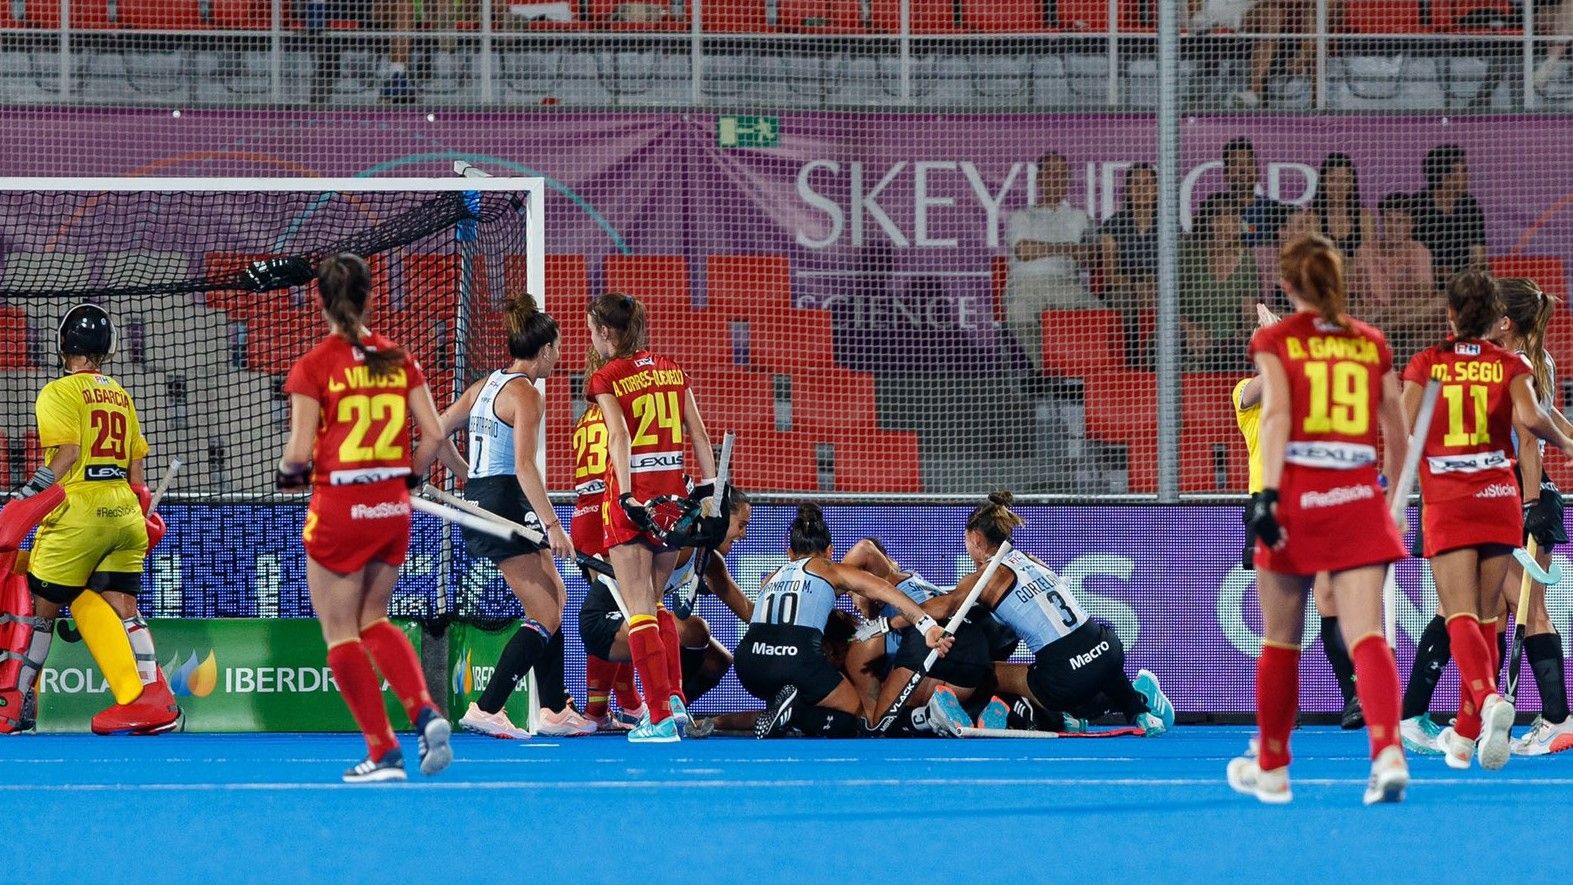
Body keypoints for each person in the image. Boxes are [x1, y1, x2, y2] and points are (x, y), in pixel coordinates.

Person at [1232, 233, 1411, 805]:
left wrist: (1266, 500)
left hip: (1297, 497)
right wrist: (1395, 505)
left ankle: (1274, 768)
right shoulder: (1370, 341)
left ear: (1288, 285)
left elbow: (1279, 414)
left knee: (1281, 643)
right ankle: (1387, 755)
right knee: (1368, 637)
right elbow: (1397, 434)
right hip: (1359, 498)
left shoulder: (1276, 339)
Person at [277, 253, 451, 783]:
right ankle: (424, 712)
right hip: (390, 507)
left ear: (319, 301)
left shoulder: (314, 365)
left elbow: (299, 453)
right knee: (373, 618)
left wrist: (287, 474)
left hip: (340, 508)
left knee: (339, 633)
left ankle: (383, 751)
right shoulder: (398, 358)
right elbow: (436, 435)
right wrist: (410, 477)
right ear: (371, 297)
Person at [1399, 271, 1573, 772]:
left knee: (1487, 611)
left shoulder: (1436, 362)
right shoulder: (1522, 362)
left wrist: (1535, 497)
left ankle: (1512, 713)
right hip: (1504, 494)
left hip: (1481, 496)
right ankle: (1465, 721)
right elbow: (1541, 422)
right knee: (1488, 612)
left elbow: (1528, 435)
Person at [0, 304, 181, 737]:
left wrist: (27, 493)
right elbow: (137, 474)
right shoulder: (121, 394)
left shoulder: (57, 392)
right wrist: (139, 510)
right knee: (125, 608)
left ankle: (14, 706)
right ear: (109, 348)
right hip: (123, 514)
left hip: (76, 514)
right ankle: (152, 698)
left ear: (64, 346)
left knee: (40, 609)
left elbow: (69, 454)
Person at [440, 293, 594, 740]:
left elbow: (435, 430)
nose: (559, 357)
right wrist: (553, 525)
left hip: (489, 496)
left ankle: (552, 709)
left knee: (556, 597)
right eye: (558, 348)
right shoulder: (526, 394)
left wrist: (468, 477)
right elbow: (525, 466)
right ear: (544, 350)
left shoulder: (483, 386)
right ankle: (487, 708)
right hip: (508, 497)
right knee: (544, 612)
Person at [916, 491, 1174, 739]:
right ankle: (1139, 708)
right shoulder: (1032, 560)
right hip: (1108, 648)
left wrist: (896, 613)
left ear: (975, 539)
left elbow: (945, 607)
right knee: (1088, 667)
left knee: (979, 670)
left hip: (1065, 675)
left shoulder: (984, 577)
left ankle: (1061, 713)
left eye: (965, 540)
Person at [587, 291, 718, 743]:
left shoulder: (608, 377)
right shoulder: (672, 370)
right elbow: (700, 436)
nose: (593, 340)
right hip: (675, 501)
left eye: (592, 332)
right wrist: (709, 494)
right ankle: (675, 699)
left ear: (607, 332)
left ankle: (659, 715)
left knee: (638, 608)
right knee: (657, 603)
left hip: (636, 500)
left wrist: (624, 496)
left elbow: (619, 437)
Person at [1234, 302, 1364, 729]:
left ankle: (1354, 699)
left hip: (1312, 501)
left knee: (1329, 600)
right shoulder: (1245, 392)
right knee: (1282, 615)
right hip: (1267, 505)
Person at [739, 504, 952, 739]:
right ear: (830, 551)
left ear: (789, 553)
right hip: (796, 659)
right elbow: (884, 589)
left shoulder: (771, 576)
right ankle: (797, 711)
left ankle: (787, 713)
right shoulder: (831, 569)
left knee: (793, 691)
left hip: (748, 664)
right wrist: (927, 625)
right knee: (860, 720)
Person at [579, 489, 755, 736]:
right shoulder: (675, 542)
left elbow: (749, 612)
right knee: (692, 630)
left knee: (719, 660)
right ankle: (659, 706)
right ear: (721, 517)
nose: (743, 534)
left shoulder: (710, 561)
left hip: (643, 622)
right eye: (741, 525)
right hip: (604, 619)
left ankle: (673, 709)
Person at [1494, 278, 1573, 755]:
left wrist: (1528, 503)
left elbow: (1527, 438)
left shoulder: (1516, 365)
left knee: (1527, 607)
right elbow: (1554, 421)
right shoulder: (1537, 360)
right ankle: (1543, 715)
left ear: (1507, 320)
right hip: (1530, 492)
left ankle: (1559, 717)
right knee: (1512, 606)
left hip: (1521, 495)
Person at [839, 537, 1011, 732]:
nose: (852, 602)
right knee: (947, 717)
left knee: (883, 725)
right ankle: (979, 710)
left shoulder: (888, 579)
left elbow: (865, 548)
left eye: (852, 594)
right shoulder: (915, 583)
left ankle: (933, 716)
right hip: (972, 643)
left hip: (930, 640)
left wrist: (838, 581)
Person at [1005, 152, 1098, 375]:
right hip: (1026, 285)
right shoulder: (1022, 216)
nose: (1056, 178)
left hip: (1067, 286)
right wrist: (1066, 248)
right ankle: (1046, 370)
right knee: (1018, 312)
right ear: (1040, 179)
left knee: (1102, 313)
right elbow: (1024, 251)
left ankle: (1091, 377)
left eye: (1062, 174)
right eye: (1050, 172)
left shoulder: (1080, 217)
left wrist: (1082, 253)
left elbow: (1091, 256)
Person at [1352, 193, 1438, 363]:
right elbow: (1358, 294)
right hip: (1372, 314)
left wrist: (1386, 315)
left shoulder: (1419, 251)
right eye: (1388, 220)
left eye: (1399, 221)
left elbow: (1424, 294)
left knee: (1440, 303)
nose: (1393, 227)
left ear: (1411, 224)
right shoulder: (1365, 250)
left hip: (1401, 320)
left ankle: (1382, 331)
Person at [1180, 193, 1260, 371]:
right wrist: (1190, 330)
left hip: (1226, 343)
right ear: (1213, 222)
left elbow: (1249, 312)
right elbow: (1166, 304)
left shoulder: (1246, 260)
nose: (1237, 221)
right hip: (1184, 334)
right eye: (1230, 215)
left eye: (1237, 215)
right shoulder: (1189, 252)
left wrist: (1247, 330)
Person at [1100, 163, 1159, 367]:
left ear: (1157, 190)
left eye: (1147, 184)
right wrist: (1136, 285)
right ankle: (1131, 364)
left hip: (1158, 289)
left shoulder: (1169, 224)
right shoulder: (1113, 225)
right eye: (1135, 184)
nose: (1142, 190)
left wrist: (1153, 285)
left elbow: (1175, 271)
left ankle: (1158, 360)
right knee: (1122, 299)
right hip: (1123, 288)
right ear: (1127, 190)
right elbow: (1109, 275)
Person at [1413, 145, 1488, 285]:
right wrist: (1438, 272)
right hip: (1424, 281)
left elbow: (1479, 251)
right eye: (1463, 171)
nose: (1468, 176)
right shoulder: (1418, 206)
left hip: (1464, 281)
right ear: (1445, 177)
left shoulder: (1470, 206)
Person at [1220, 138, 1291, 248]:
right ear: (1226, 174)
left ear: (1257, 171)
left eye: (1249, 163)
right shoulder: (1216, 209)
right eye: (1236, 164)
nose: (1243, 169)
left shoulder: (1274, 209)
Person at [1310, 153, 1373, 259]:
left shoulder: (1364, 216)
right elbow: (1313, 258)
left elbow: (1371, 258)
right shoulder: (1312, 217)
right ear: (1323, 182)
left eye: (1344, 180)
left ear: (1352, 183)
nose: (1338, 186)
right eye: (1332, 179)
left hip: (1358, 274)